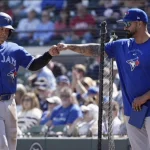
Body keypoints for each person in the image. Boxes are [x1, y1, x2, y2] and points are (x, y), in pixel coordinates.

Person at [52, 8, 150, 150]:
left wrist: (145, 97)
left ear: (140, 23)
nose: (125, 27)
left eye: (128, 23)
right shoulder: (122, 45)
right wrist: (69, 47)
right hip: (132, 111)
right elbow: (94, 49)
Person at [0, 12, 59, 150]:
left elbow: (33, 65)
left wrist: (48, 55)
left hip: (9, 102)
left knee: (13, 138)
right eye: (1, 28)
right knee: (2, 143)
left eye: (7, 29)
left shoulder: (14, 49)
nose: (4, 32)